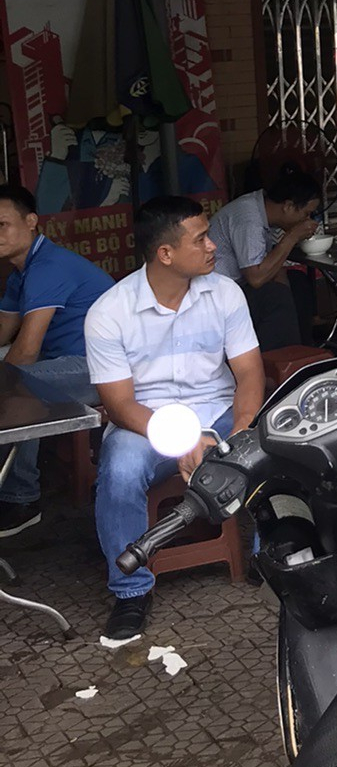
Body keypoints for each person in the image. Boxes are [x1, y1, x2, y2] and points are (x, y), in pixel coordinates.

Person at [85, 196, 264, 649]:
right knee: (120, 470)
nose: (212, 246)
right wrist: (184, 438)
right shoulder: (109, 312)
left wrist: (241, 431)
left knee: (271, 442)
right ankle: (131, 592)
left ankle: (272, 556)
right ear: (165, 253)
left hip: (219, 413)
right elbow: (120, 406)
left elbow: (248, 373)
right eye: (200, 239)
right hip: (146, 425)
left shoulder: (225, 293)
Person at [0, 182, 113, 537]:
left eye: (2, 225)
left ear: (31, 221)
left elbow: (26, 351)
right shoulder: (21, 273)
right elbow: (3, 335)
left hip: (101, 368)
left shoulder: (49, 266)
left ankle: (21, 498)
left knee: (19, 387)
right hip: (65, 359)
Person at [209, 165, 322, 349]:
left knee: (296, 282)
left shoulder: (259, 208)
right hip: (215, 297)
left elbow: (271, 268)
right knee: (275, 297)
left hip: (236, 287)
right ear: (288, 206)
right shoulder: (249, 218)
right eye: (306, 213)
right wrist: (292, 236)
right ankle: (277, 356)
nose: (308, 220)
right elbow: (256, 278)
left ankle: (301, 350)